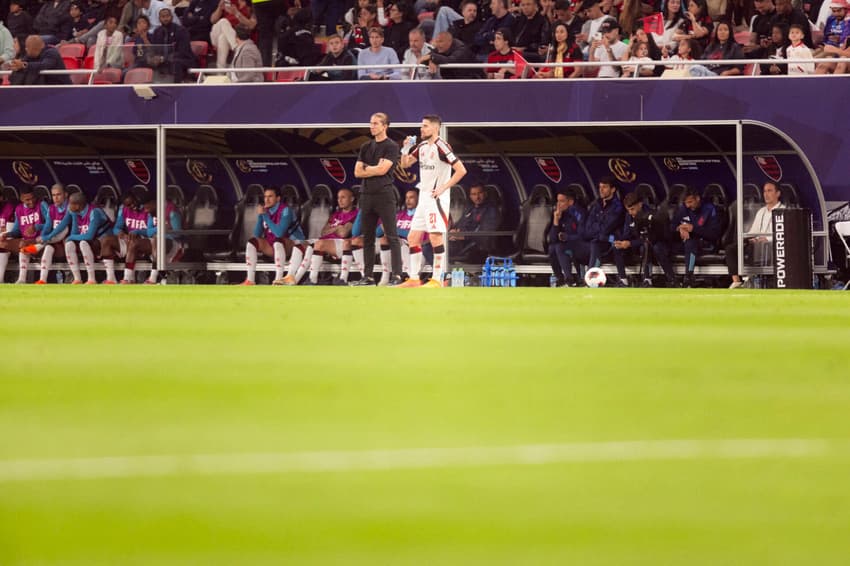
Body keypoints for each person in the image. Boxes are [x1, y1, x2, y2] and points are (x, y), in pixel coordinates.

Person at [398, 114, 468, 287]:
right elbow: (405, 164)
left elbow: (461, 170)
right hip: (423, 197)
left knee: (435, 237)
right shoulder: (421, 146)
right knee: (413, 238)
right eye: (421, 126)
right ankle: (414, 278)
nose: (422, 129)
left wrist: (444, 188)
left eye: (425, 126)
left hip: (437, 198)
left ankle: (437, 279)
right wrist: (405, 149)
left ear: (436, 128)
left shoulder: (442, 146)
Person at [353, 112, 405, 286]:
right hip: (366, 195)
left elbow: (384, 170)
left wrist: (369, 168)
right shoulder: (366, 147)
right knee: (367, 237)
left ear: (385, 126)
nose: (372, 126)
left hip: (385, 195)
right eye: (371, 123)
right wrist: (374, 167)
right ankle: (367, 277)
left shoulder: (391, 146)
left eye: (376, 123)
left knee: (392, 235)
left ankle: (397, 275)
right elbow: (357, 172)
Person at [653, 186, 721, 287]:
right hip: (683, 244)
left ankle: (688, 278)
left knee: (691, 242)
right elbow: (672, 226)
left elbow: (714, 234)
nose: (688, 205)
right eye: (686, 202)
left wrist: (693, 229)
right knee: (658, 246)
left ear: (697, 198)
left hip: (704, 244)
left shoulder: (710, 209)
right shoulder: (683, 209)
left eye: (690, 202)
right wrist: (679, 228)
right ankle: (672, 279)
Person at [241, 187, 305, 285]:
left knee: (278, 241)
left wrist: (265, 216)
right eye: (265, 197)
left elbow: (279, 233)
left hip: (293, 245)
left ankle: (278, 279)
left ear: (278, 198)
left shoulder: (285, 210)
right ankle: (250, 280)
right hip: (274, 245)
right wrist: (260, 216)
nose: (266, 199)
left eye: (270, 196)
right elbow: (257, 234)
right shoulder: (265, 210)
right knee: (252, 242)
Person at [726, 181, 785, 288]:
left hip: (771, 245)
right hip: (756, 243)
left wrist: (766, 239)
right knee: (731, 248)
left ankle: (750, 277)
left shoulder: (784, 211)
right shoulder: (761, 211)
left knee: (756, 246)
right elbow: (753, 231)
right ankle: (736, 281)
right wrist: (748, 238)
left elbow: (783, 234)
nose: (766, 194)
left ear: (778, 193)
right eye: (764, 191)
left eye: (769, 191)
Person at [565, 176, 625, 277]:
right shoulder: (595, 205)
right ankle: (571, 280)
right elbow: (587, 227)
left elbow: (606, 229)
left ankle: (590, 278)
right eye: (600, 187)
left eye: (604, 187)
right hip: (594, 240)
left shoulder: (618, 207)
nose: (601, 190)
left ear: (613, 189)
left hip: (609, 243)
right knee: (570, 244)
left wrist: (595, 229)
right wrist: (596, 230)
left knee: (595, 243)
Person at [301, 188, 359, 285]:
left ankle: (312, 279)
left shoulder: (356, 213)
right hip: (328, 243)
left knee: (318, 244)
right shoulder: (335, 214)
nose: (339, 200)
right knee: (302, 244)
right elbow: (323, 232)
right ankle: (294, 277)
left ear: (352, 199)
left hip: (343, 245)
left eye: (343, 197)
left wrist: (334, 229)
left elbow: (344, 233)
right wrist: (337, 228)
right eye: (338, 198)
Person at [19, 183, 69, 285]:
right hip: (53, 240)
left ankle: (38, 246)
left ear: (65, 195)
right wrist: (44, 235)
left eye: (58, 195)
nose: (56, 198)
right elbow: (47, 226)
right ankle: (40, 280)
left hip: (67, 238)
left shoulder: (70, 207)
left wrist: (44, 238)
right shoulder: (51, 208)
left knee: (64, 230)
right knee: (47, 247)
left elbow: (62, 226)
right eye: (54, 195)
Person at [124, 197, 182, 284]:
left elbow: (177, 233)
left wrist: (161, 233)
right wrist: (160, 228)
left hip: (173, 245)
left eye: (147, 208)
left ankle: (152, 279)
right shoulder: (152, 213)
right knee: (134, 243)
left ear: (153, 203)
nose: (146, 211)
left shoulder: (172, 211)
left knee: (157, 239)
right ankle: (128, 278)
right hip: (155, 243)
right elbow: (148, 232)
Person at [613, 191, 665, 287]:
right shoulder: (629, 216)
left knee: (645, 247)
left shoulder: (650, 215)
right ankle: (623, 280)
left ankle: (647, 280)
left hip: (651, 245)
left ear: (640, 204)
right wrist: (621, 242)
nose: (630, 212)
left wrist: (630, 243)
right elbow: (626, 234)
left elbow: (649, 239)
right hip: (634, 245)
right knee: (616, 247)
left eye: (632, 209)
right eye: (628, 210)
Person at [99, 190, 149, 284]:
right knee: (106, 240)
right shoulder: (124, 210)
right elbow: (116, 228)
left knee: (133, 242)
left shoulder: (146, 208)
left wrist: (138, 231)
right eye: (129, 205)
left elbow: (152, 230)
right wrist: (121, 233)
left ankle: (127, 278)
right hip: (130, 242)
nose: (132, 206)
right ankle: (111, 278)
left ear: (136, 198)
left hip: (144, 243)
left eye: (133, 202)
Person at [62, 191, 111, 285]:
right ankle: (77, 278)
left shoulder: (94, 212)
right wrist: (74, 216)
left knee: (83, 243)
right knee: (69, 244)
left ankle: (91, 279)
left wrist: (71, 237)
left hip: (104, 245)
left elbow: (89, 236)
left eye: (70, 203)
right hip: (90, 243)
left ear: (77, 205)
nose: (68, 206)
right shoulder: (77, 213)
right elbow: (74, 234)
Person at [0, 186, 46, 284]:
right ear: (21, 199)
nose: (31, 201)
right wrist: (7, 234)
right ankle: (7, 280)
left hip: (41, 242)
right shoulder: (19, 209)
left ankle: (22, 279)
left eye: (33, 198)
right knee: (2, 243)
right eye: (27, 200)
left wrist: (36, 227)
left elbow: (51, 224)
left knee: (23, 246)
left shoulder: (41, 205)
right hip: (26, 243)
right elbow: (17, 231)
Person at [449, 183, 500, 263]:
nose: (477, 197)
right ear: (470, 196)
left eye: (480, 193)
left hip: (475, 246)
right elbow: (459, 224)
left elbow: (485, 235)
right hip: (460, 243)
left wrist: (463, 236)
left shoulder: (491, 210)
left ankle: (440, 272)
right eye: (474, 194)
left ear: (485, 194)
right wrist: (452, 232)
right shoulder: (469, 209)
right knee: (430, 245)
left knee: (434, 248)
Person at [548, 187, 587, 286]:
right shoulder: (560, 213)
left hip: (583, 245)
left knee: (559, 246)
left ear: (570, 202)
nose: (558, 205)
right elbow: (553, 239)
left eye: (561, 201)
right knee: (552, 247)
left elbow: (583, 235)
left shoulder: (580, 213)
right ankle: (559, 279)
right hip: (567, 245)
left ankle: (569, 280)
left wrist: (567, 237)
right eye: (557, 201)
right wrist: (556, 220)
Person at [150, 7, 194, 83]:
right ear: (159, 19)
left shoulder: (181, 30)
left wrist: (163, 58)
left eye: (167, 16)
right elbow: (154, 49)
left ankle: (176, 88)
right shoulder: (157, 32)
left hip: (182, 60)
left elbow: (183, 52)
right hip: (163, 61)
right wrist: (153, 58)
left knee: (175, 62)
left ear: (172, 17)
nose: (165, 19)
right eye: (163, 17)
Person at [209, 0, 256, 70]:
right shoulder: (229, 2)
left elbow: (251, 25)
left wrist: (236, 13)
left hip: (232, 37)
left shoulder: (250, 6)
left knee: (222, 38)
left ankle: (220, 73)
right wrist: (219, 8)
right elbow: (213, 20)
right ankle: (238, 48)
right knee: (223, 21)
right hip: (217, 32)